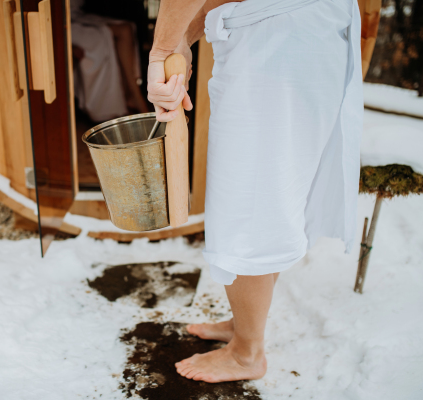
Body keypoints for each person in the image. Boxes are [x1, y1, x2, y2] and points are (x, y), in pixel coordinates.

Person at [147, 0, 362, 383]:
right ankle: (244, 323)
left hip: (279, 42)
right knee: (271, 188)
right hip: (294, 32)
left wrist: (162, 50)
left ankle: (246, 354)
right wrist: (182, 39)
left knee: (253, 196)